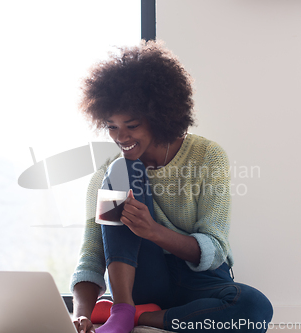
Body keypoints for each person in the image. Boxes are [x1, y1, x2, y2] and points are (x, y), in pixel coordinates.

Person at [70, 40, 273, 333]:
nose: (120, 136)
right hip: (141, 277)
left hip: (199, 279)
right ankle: (124, 308)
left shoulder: (207, 156)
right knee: (122, 170)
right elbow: (92, 254)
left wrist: (153, 231)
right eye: (111, 126)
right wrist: (81, 314)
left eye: (132, 124)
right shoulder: (108, 174)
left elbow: (214, 249)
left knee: (253, 309)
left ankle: (139, 317)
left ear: (159, 118)